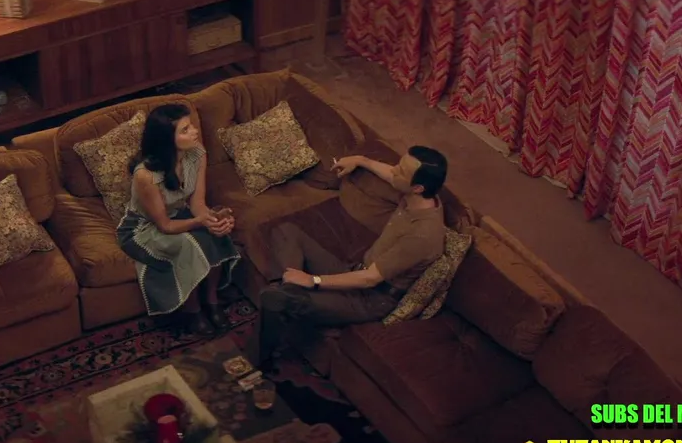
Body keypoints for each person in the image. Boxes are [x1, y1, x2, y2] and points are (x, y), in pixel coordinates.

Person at [254, 146, 449, 371]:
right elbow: (390, 174)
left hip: (372, 297)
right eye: (398, 165)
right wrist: (361, 160)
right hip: (356, 269)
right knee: (286, 232)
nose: (393, 170)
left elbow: (370, 279)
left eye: (400, 171)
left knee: (276, 298)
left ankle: (261, 360)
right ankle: (286, 292)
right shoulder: (420, 196)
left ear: (417, 188)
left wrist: (313, 280)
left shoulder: (422, 235)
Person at [117, 104, 240, 336]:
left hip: (180, 214)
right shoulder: (146, 175)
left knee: (214, 234)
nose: (195, 131)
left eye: (191, 125)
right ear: (167, 140)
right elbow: (164, 225)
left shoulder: (198, 153)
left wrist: (214, 219)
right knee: (186, 246)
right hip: (144, 228)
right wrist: (200, 222)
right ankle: (193, 311)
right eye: (185, 130)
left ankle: (211, 301)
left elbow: (197, 203)